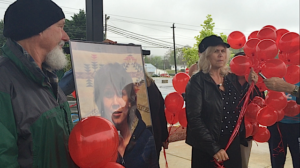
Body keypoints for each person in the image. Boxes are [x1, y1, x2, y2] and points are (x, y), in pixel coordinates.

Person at [0, 0, 77, 167]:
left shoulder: (48, 78)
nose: (66, 37)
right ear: (38, 29)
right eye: (60, 27)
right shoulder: (4, 81)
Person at [185, 35, 258, 168]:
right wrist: (214, 148)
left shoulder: (229, 79)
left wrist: (250, 85)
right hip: (208, 147)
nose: (220, 55)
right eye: (216, 51)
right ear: (206, 55)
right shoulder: (197, 81)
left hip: (232, 144)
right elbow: (194, 119)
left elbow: (239, 107)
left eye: (223, 51)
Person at [94, 63, 159, 168]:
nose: (116, 102)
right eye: (109, 94)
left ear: (130, 100)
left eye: (121, 94)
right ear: (100, 101)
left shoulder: (146, 138)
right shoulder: (92, 141)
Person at [233, 52, 265, 168]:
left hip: (247, 132)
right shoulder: (226, 81)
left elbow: (261, 104)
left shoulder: (255, 84)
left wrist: (253, 84)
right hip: (227, 131)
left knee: (243, 163)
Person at [264, 77, 300, 168]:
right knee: (277, 162)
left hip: (297, 125)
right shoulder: (273, 69)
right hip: (276, 124)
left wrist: (290, 88)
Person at [144, 72, 169, 159]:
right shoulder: (151, 85)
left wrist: (164, 137)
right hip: (154, 135)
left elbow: (160, 112)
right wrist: (164, 137)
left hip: (147, 136)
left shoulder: (150, 85)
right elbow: (161, 112)